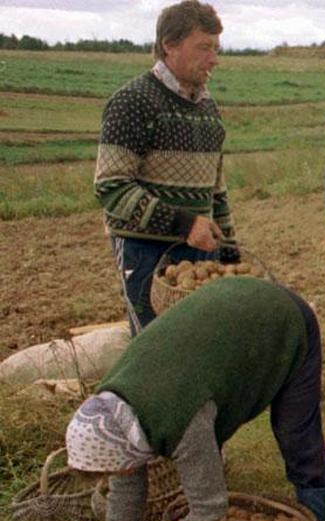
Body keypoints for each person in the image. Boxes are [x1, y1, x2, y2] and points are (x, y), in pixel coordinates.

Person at [64, 276, 325, 521]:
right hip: (226, 318)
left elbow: (209, 506)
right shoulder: (114, 411)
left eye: (117, 469)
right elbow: (126, 478)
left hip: (279, 318)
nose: (121, 475)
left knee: (297, 439)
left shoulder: (179, 417)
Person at [95, 0, 238, 334]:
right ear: (169, 46)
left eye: (216, 48)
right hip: (144, 250)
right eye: (203, 47)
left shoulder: (207, 107)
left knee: (199, 340)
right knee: (154, 345)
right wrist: (184, 223)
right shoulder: (133, 102)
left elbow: (215, 190)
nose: (213, 58)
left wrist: (229, 251)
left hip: (200, 249)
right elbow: (111, 187)